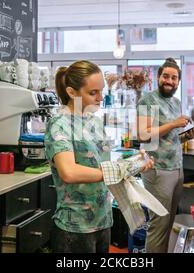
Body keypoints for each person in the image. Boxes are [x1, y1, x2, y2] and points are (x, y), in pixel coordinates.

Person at [45, 60, 153, 253]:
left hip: (103, 220)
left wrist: (134, 163)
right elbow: (69, 172)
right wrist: (117, 171)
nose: (100, 98)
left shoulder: (93, 121)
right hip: (75, 227)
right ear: (71, 92)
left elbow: (99, 164)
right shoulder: (59, 124)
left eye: (101, 91)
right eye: (93, 93)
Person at [136, 58, 194, 253]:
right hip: (158, 169)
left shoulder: (176, 102)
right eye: (165, 76)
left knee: (169, 223)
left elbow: (169, 138)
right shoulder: (148, 100)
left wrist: (185, 136)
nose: (169, 81)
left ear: (178, 81)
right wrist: (173, 124)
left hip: (176, 168)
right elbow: (143, 135)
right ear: (158, 77)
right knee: (159, 224)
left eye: (174, 77)